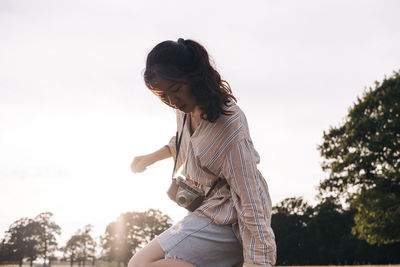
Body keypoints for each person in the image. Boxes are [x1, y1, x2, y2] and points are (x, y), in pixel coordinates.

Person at [128, 38, 276, 267]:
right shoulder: (184, 110)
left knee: (141, 265)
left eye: (176, 90)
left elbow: (251, 199)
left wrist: (258, 262)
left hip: (230, 219)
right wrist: (150, 158)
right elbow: (183, 143)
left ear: (195, 77)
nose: (173, 101)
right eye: (164, 96)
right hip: (207, 212)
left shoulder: (229, 126)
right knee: (142, 262)